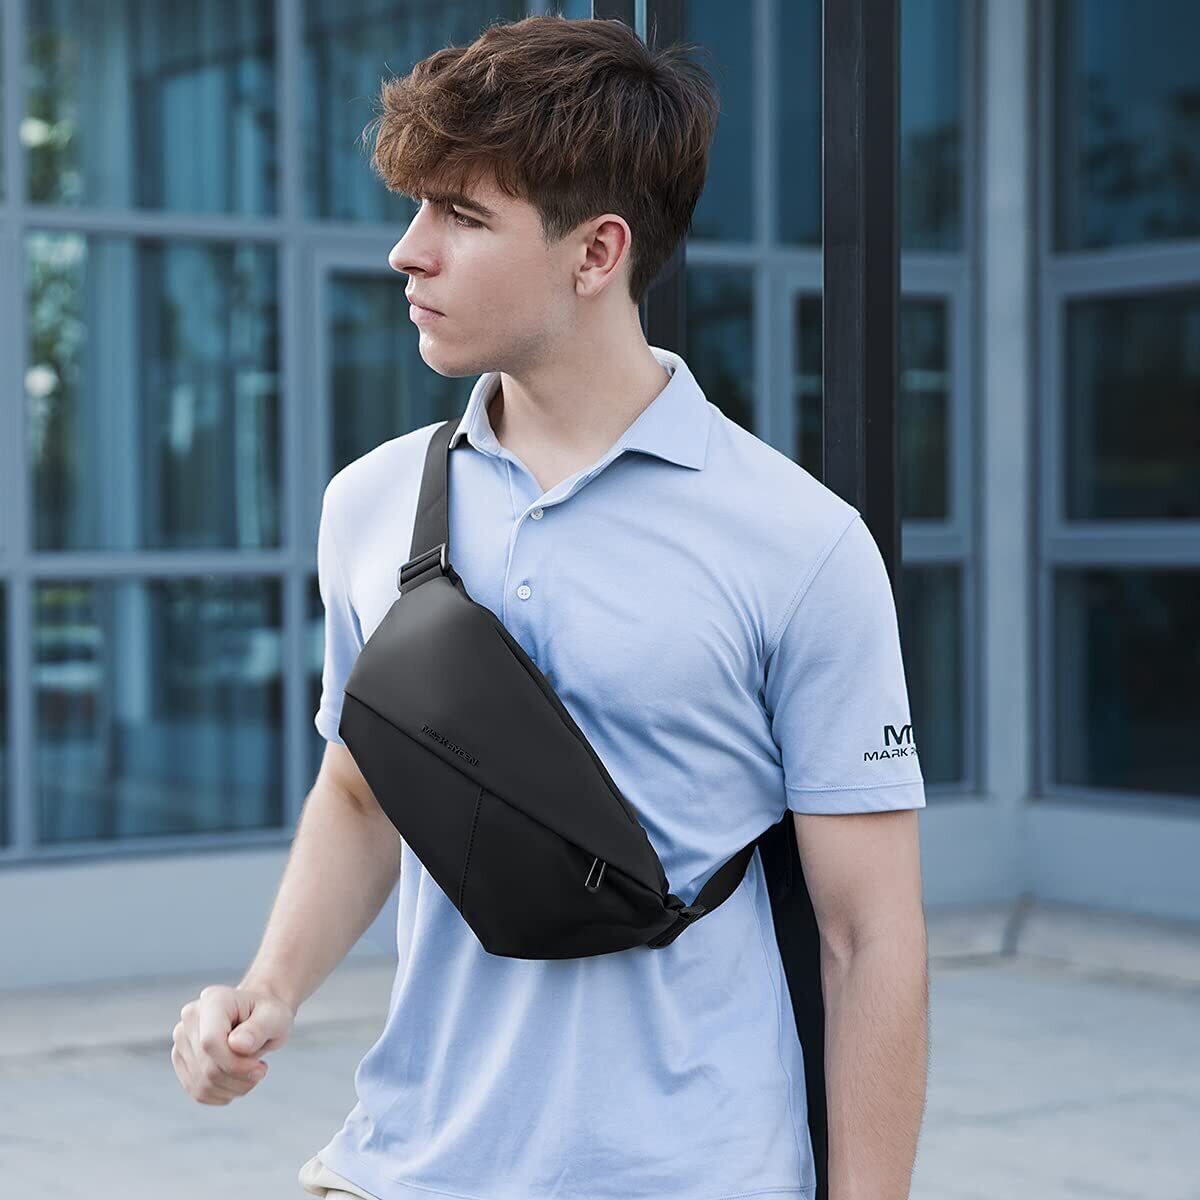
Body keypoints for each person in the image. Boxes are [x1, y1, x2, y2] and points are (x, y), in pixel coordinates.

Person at [170, 14, 929, 1200]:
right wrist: (268, 989)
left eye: (461, 216)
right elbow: (362, 789)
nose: (407, 253)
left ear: (597, 252)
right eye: (416, 210)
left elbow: (867, 936)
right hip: (406, 1168)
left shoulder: (799, 544)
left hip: (691, 1176)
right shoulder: (371, 506)